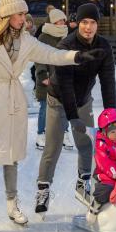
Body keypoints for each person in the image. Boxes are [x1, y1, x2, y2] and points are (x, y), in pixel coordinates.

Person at [0, 0, 103, 232]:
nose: (25, 19)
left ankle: (12, 204)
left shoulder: (24, 39)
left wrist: (77, 56)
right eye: (21, 14)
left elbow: (50, 53)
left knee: (11, 156)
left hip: (12, 100)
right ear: (8, 15)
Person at [35, 3, 116, 215]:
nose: (88, 27)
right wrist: (73, 118)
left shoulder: (103, 46)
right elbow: (65, 85)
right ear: (77, 23)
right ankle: (43, 188)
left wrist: (111, 116)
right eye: (84, 22)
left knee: (87, 144)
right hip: (58, 99)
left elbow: (108, 81)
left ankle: (83, 182)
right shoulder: (66, 46)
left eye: (93, 23)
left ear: (98, 25)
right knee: (53, 147)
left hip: (84, 100)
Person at [35, 8, 73, 150]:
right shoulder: (43, 37)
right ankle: (41, 134)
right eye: (59, 20)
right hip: (48, 79)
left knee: (64, 108)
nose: (62, 22)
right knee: (45, 107)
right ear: (52, 21)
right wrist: (43, 75)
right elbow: (38, 57)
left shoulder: (67, 36)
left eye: (64, 20)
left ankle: (64, 133)